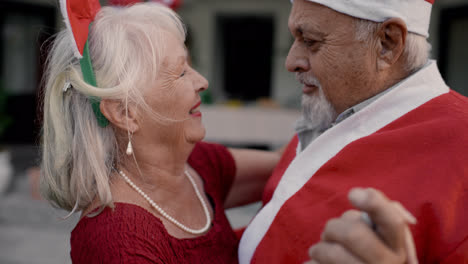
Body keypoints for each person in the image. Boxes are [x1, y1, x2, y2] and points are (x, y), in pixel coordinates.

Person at [40, 2, 279, 263]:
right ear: (125, 113)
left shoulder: (197, 165)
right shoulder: (116, 242)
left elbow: (296, 171)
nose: (202, 82)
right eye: (180, 72)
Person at [238, 0, 468, 263]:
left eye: (310, 41)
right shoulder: (332, 112)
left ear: (387, 43)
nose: (291, 62)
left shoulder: (461, 147)